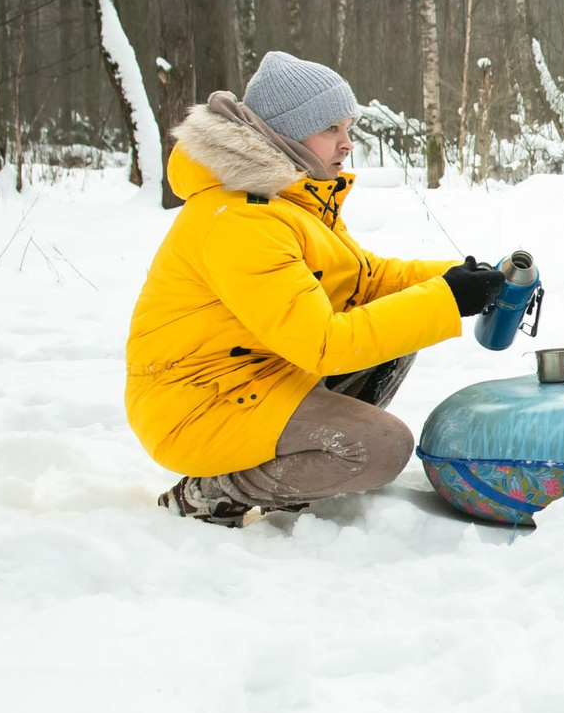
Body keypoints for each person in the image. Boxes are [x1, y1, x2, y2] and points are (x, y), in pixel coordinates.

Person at [126, 51, 510, 527]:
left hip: (252, 378)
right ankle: (214, 493)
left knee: (395, 328)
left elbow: (364, 279)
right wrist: (446, 298)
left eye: (347, 129)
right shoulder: (241, 220)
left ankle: (307, 462)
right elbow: (324, 344)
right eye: (331, 129)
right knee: (382, 449)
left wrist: (460, 276)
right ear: (286, 133)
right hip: (199, 404)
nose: (347, 144)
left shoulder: (288, 200)